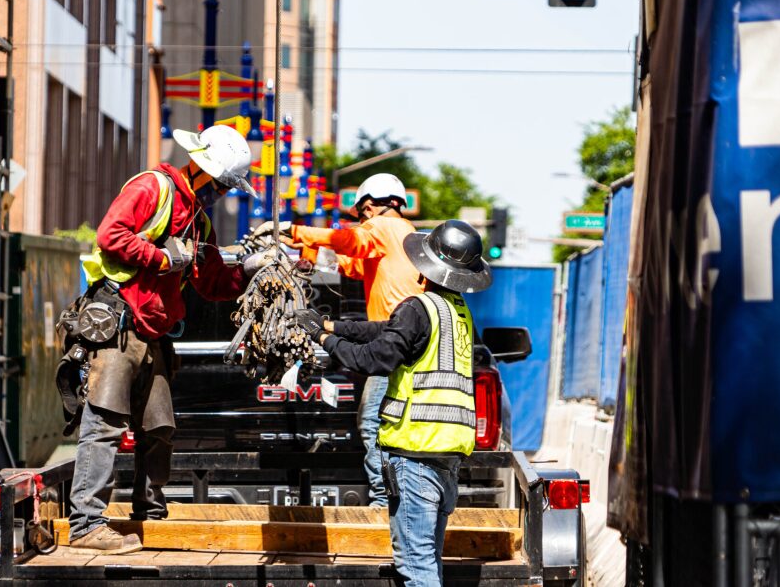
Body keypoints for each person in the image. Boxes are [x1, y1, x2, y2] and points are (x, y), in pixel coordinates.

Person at [66, 125, 265, 554]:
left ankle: (149, 514)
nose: (224, 194)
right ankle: (85, 524)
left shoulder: (200, 221)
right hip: (119, 326)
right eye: (223, 185)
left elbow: (212, 283)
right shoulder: (151, 188)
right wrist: (160, 257)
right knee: (104, 425)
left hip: (154, 334)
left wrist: (249, 268)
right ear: (203, 171)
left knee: (158, 427)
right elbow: (110, 236)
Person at [288, 220, 492, 586]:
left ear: (424, 266)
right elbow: (386, 330)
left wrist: (320, 337)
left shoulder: (417, 308)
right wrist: (333, 326)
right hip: (446, 456)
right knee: (427, 558)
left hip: (414, 455)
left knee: (415, 568)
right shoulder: (456, 313)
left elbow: (372, 360)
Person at [251, 172, 423, 507]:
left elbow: (350, 241)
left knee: (372, 422)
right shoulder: (405, 234)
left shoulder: (383, 227)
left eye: (361, 215)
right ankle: (398, 494)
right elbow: (353, 264)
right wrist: (309, 252)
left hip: (392, 342)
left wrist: (294, 230)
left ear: (370, 205)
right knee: (392, 422)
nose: (362, 221)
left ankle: (383, 501)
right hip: (406, 342)